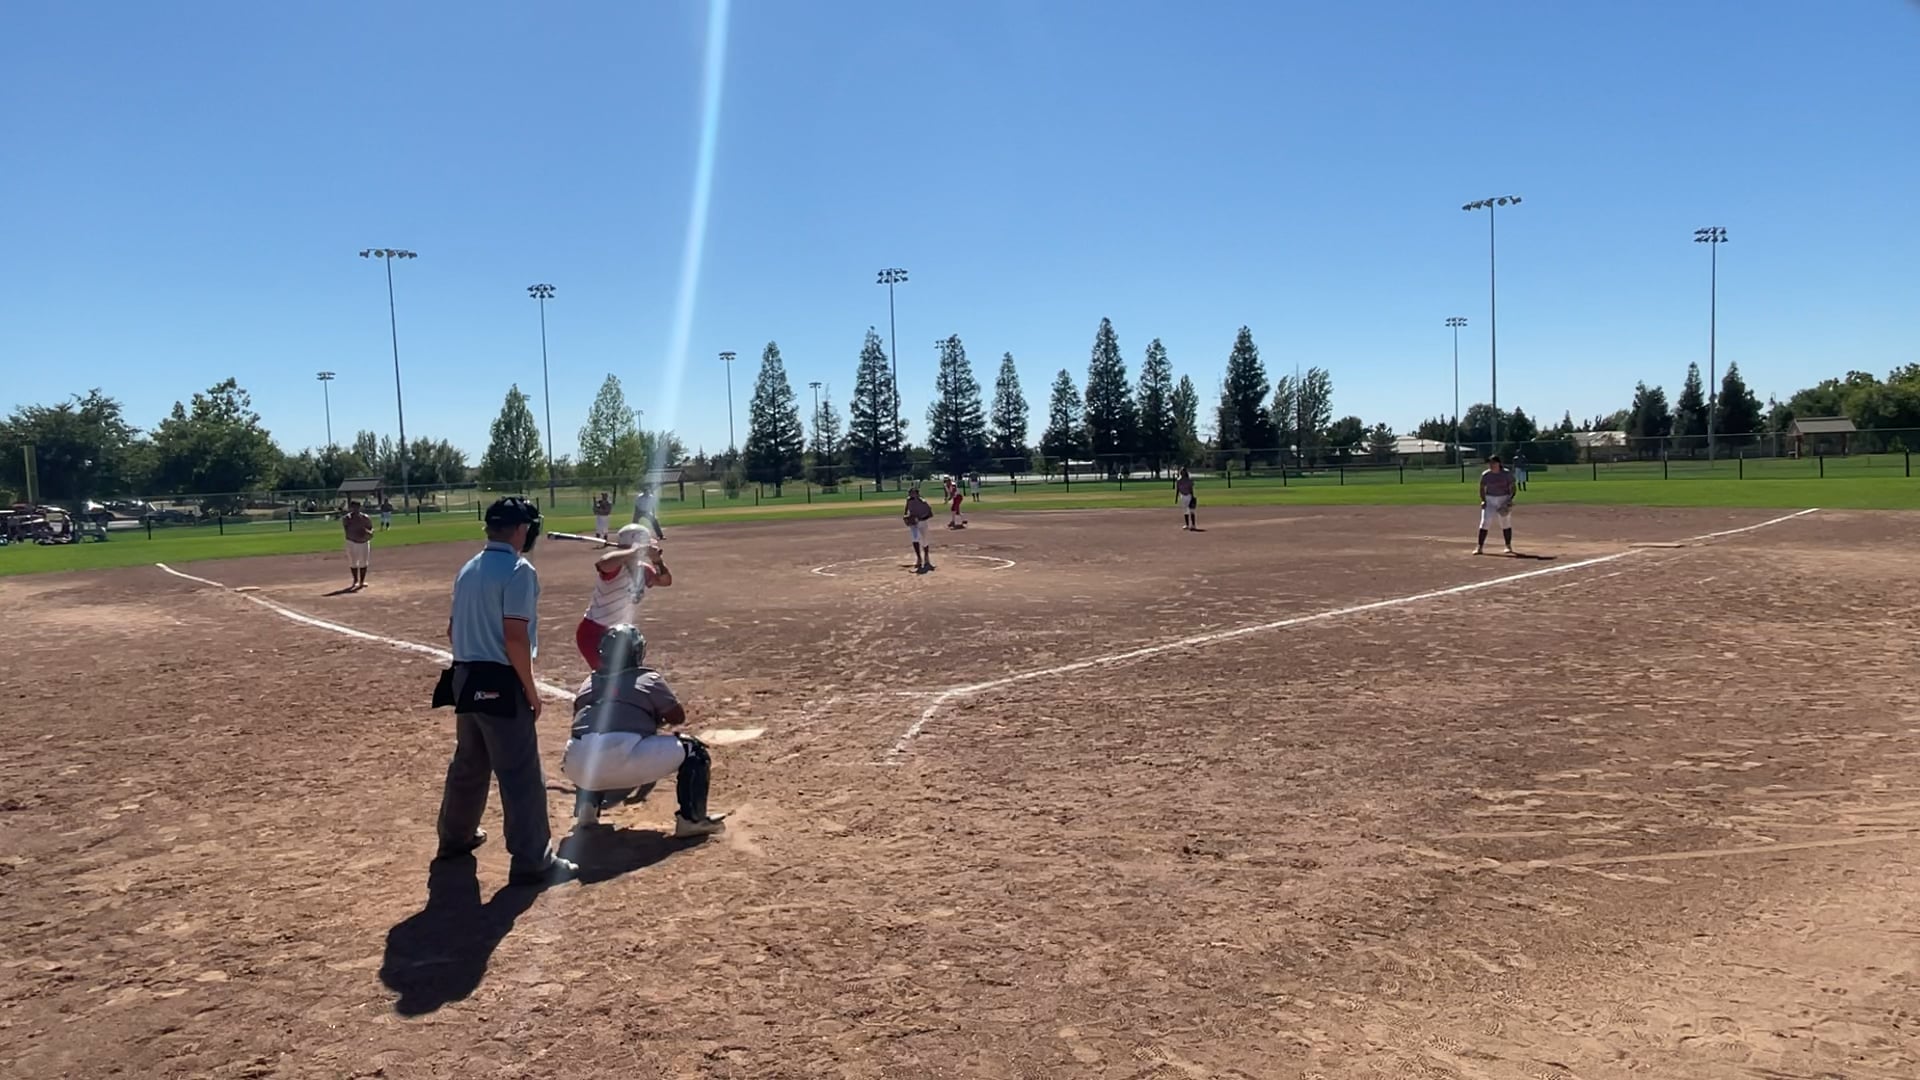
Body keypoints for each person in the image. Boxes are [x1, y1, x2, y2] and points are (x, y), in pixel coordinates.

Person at [434, 497, 575, 887]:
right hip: (498, 679)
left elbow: (452, 630)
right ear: (521, 529)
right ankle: (534, 860)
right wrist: (530, 690)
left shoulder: (469, 568)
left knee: (470, 762)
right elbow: (515, 637)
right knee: (520, 773)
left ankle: (455, 838)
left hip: (464, 674)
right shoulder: (518, 570)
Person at [561, 624, 726, 837]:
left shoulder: (587, 683)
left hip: (577, 767)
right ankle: (692, 821)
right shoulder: (647, 678)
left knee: (591, 746)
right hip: (622, 758)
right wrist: (647, 719)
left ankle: (587, 810)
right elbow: (677, 717)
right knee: (694, 750)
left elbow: (580, 720)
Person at [576, 523, 673, 669]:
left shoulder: (643, 570)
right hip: (594, 633)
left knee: (626, 674)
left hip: (621, 634)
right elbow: (603, 563)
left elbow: (665, 581)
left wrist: (657, 561)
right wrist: (635, 551)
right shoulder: (616, 568)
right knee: (609, 676)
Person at [1476, 455, 1517, 556]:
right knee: (1485, 522)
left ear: (1499, 463)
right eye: (1490, 463)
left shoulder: (1506, 474)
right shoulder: (1486, 474)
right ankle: (1479, 547)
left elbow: (1513, 488)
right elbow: (1482, 488)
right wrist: (1483, 500)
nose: (1491, 465)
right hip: (1490, 499)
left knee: (1505, 522)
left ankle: (1508, 546)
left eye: (1493, 463)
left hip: (1503, 499)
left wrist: (1509, 500)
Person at [342, 501, 374, 591]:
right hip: (351, 541)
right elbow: (347, 530)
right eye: (353, 507)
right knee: (353, 561)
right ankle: (355, 580)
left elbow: (371, 528)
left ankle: (362, 581)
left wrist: (369, 533)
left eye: (357, 507)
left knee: (364, 561)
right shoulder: (347, 518)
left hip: (363, 542)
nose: (355, 509)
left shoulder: (365, 517)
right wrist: (358, 532)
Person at [904, 485, 935, 573]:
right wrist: (906, 516)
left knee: (924, 541)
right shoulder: (909, 500)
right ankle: (919, 558)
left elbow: (930, 514)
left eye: (912, 493)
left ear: (917, 494)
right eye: (910, 493)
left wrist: (920, 518)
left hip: (922, 522)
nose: (911, 495)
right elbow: (906, 510)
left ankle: (926, 557)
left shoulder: (923, 502)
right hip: (913, 524)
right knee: (915, 538)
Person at [1175, 466, 1197, 531]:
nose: (1182, 473)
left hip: (1189, 495)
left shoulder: (1189, 480)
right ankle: (1187, 525)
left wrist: (1192, 496)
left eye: (1183, 471)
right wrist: (1176, 498)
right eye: (1181, 471)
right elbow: (1177, 490)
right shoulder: (1178, 480)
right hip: (1182, 496)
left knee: (1191, 510)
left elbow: (1191, 489)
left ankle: (1193, 525)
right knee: (1185, 511)